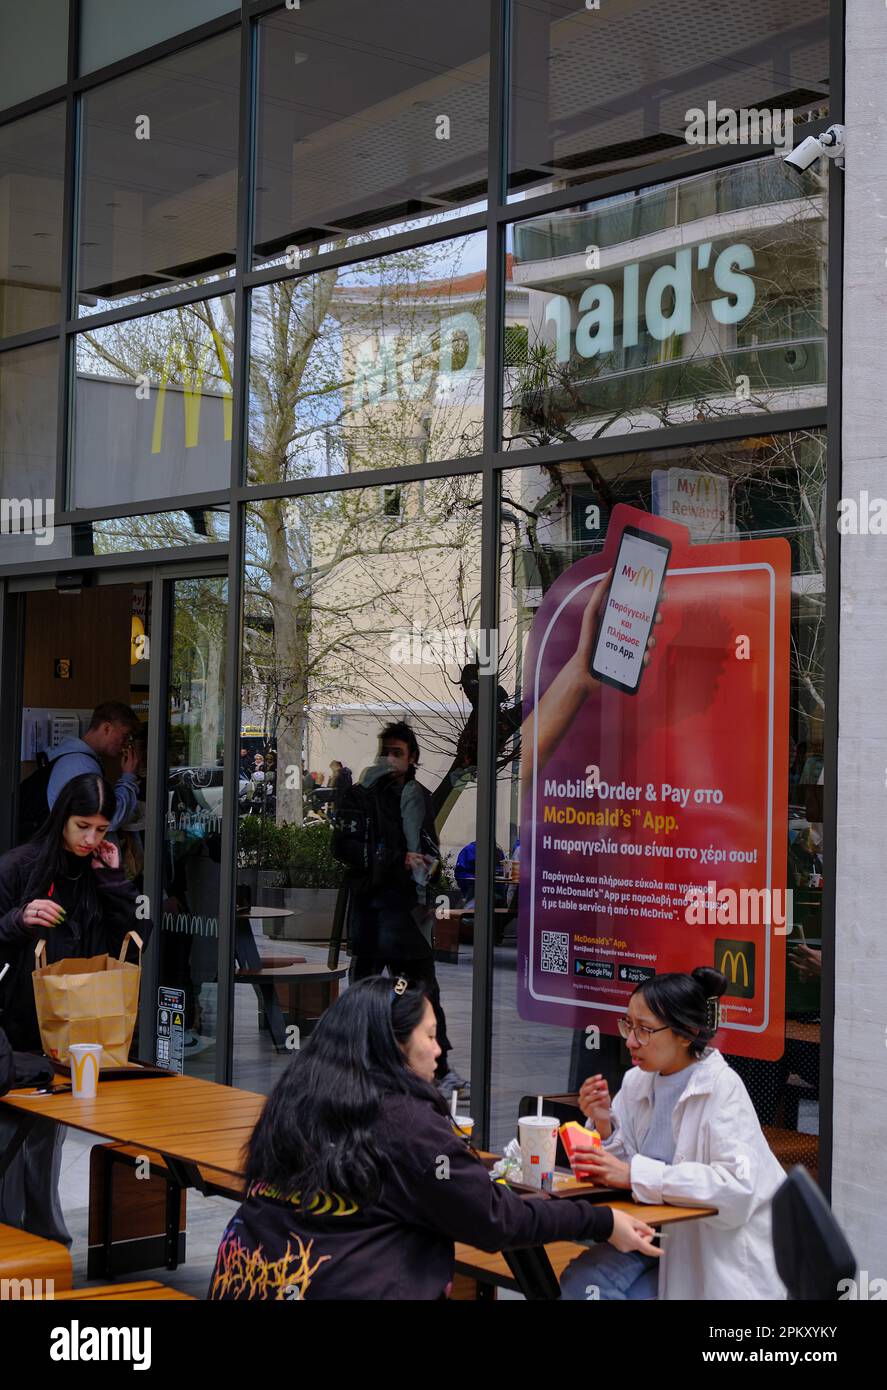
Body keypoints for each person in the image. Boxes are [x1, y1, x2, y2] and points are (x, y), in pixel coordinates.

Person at [208, 978, 659, 1300]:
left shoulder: (298, 1097)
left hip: (245, 1278)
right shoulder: (404, 1119)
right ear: (394, 1045)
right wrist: (602, 1223)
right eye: (431, 1036)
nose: (440, 1051)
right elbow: (495, 1220)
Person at [559, 966, 788, 1301]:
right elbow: (624, 1171)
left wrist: (634, 1174)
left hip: (715, 1256)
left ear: (687, 1032)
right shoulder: (639, 1080)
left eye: (645, 1030)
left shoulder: (722, 1089)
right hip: (655, 1236)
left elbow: (736, 1190)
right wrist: (605, 1124)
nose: (630, 1040)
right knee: (582, 1283)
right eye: (628, 1025)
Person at [0, 774, 153, 1243]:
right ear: (61, 818)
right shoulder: (19, 866)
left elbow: (131, 937)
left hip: (72, 1026)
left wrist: (112, 879)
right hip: (15, 1022)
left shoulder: (98, 870)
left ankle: (46, 1239)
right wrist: (18, 919)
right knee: (8, 1136)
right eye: (82, 826)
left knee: (49, 1136)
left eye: (102, 830)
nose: (91, 840)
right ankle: (14, 1242)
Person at [347, 722, 466, 1100]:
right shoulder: (362, 795)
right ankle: (357, 1066)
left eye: (397, 752)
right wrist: (397, 859)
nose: (390, 759)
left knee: (421, 990)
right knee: (367, 992)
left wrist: (425, 871)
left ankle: (437, 1068)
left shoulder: (417, 796)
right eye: (386, 751)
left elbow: (428, 848)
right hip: (373, 906)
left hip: (402, 910)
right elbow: (346, 848)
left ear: (413, 757)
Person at [47, 701, 141, 832]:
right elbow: (108, 819)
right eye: (125, 736)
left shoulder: (74, 757)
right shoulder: (80, 765)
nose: (126, 744)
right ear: (106, 728)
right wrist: (128, 777)